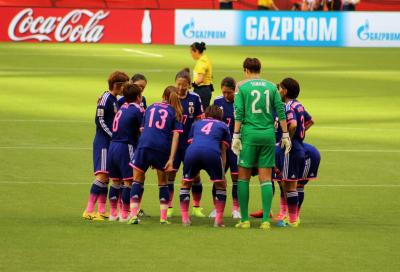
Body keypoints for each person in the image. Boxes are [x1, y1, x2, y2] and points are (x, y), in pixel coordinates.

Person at [232, 58, 291, 230]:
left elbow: (239, 112)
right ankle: (266, 220)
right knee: (266, 179)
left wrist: (236, 135)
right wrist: (285, 134)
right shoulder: (272, 86)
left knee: (243, 177)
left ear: (246, 70)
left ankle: (244, 220)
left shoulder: (241, 86)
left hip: (249, 135)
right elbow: (280, 111)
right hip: (268, 135)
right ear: (260, 69)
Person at [129, 86, 183, 225]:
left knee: (137, 179)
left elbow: (142, 129)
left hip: (144, 145)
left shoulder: (151, 107)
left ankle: (133, 216)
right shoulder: (175, 112)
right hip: (161, 148)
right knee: (163, 181)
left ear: (163, 96)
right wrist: (171, 159)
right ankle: (163, 218)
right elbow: (176, 136)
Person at [82, 71, 129, 221]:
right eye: (124, 86)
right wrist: (112, 135)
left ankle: (101, 210)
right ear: (117, 86)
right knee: (102, 176)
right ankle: (88, 210)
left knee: (107, 177)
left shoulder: (114, 99)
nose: (125, 89)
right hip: (103, 142)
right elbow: (99, 120)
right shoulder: (106, 98)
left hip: (110, 143)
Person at [180, 105, 231, 227]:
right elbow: (223, 150)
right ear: (220, 117)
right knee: (221, 185)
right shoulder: (223, 126)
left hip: (192, 152)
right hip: (212, 153)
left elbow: (193, 142)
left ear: (206, 115)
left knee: (186, 183)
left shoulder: (196, 124)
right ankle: (218, 220)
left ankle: (185, 219)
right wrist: (222, 173)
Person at [167, 68, 205, 218]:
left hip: (190, 144)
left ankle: (196, 207)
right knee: (171, 174)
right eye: (179, 84)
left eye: (184, 85)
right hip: (173, 144)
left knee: (194, 175)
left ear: (190, 85)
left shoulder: (195, 98)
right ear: (175, 83)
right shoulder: (170, 96)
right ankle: (169, 206)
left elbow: (199, 119)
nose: (181, 88)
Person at [107, 83, 144, 222]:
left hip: (112, 146)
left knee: (115, 182)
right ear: (138, 97)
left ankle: (112, 213)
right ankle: (125, 214)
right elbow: (143, 130)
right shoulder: (138, 110)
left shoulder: (122, 107)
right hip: (125, 146)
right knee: (129, 182)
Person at [276, 77, 310, 227]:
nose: (278, 91)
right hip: (300, 146)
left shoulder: (288, 105)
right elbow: (310, 121)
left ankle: (293, 220)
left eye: (280, 88)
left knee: (289, 185)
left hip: (292, 149)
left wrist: (287, 139)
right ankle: (292, 218)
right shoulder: (299, 105)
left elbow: (293, 124)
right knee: (291, 183)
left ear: (285, 91)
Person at [209, 77, 241, 219]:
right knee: (218, 177)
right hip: (220, 145)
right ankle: (217, 208)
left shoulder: (240, 101)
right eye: (224, 92)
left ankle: (236, 209)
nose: (227, 95)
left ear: (235, 90)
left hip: (235, 146)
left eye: (229, 92)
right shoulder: (217, 101)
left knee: (236, 177)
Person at [190, 42, 213, 109]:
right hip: (206, 89)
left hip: (201, 91)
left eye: (191, 52)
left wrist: (191, 85)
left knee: (200, 113)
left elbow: (200, 79)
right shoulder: (206, 59)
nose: (191, 54)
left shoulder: (201, 62)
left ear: (196, 51)